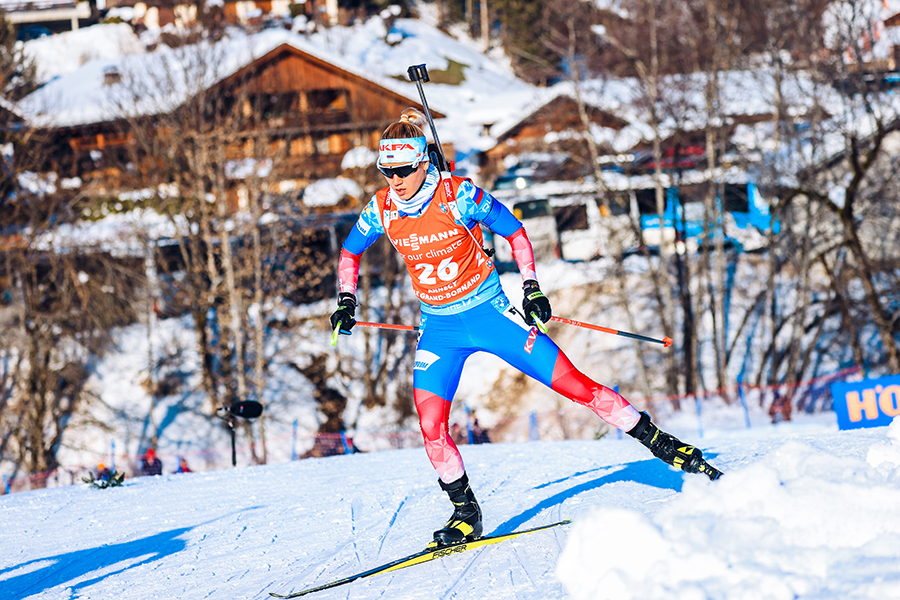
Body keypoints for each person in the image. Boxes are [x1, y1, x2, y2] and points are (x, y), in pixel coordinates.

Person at [330, 108, 722, 548]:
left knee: (577, 387)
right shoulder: (382, 207)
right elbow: (349, 253)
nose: (395, 181)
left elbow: (515, 233)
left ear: (424, 163)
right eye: (387, 172)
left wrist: (531, 288)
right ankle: (465, 513)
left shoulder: (459, 195)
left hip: (491, 316)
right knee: (431, 425)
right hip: (440, 329)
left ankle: (665, 446)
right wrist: (347, 299)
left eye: (403, 170)